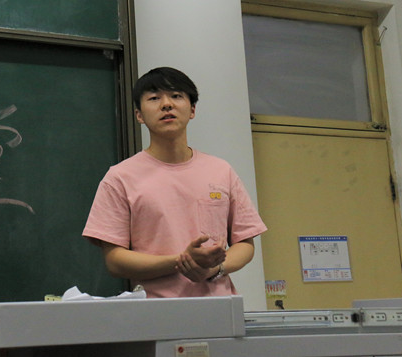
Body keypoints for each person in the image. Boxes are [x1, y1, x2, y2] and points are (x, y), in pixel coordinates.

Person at [82, 67, 267, 298]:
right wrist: (181, 262)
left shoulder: (221, 171)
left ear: (192, 110)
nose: (166, 104)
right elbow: (115, 260)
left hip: (220, 309)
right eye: (154, 98)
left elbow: (245, 244)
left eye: (176, 96)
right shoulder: (120, 178)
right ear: (139, 115)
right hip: (155, 310)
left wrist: (214, 269)